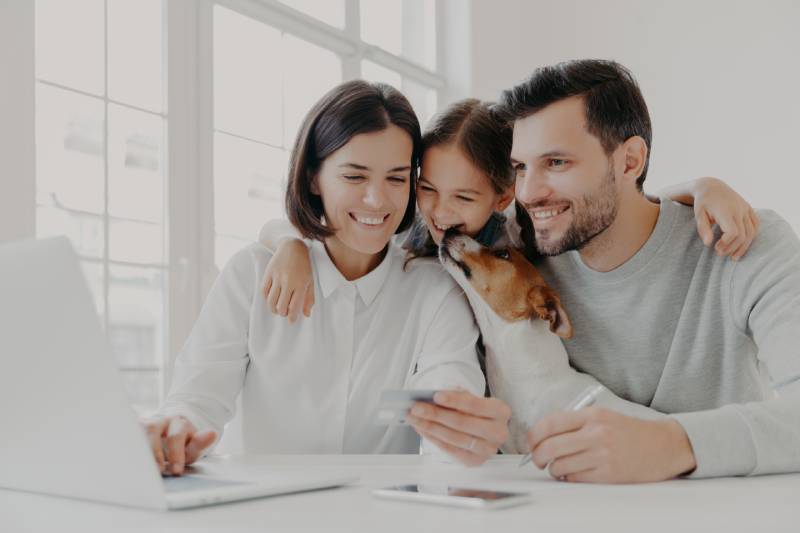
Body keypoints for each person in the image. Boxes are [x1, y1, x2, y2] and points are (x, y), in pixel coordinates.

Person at [259, 96, 759, 460]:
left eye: (464, 198)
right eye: (426, 188)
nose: (441, 215)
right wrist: (289, 242)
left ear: (501, 198)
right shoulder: (402, 229)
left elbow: (610, 208)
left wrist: (700, 186)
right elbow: (327, 222)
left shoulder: (522, 241)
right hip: (419, 438)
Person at [142, 80, 511, 476]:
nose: (377, 200)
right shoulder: (250, 274)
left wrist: (461, 426)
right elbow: (197, 396)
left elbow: (447, 392)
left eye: (397, 178)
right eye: (355, 177)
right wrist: (175, 431)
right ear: (314, 177)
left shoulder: (436, 291)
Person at [494, 59, 800, 482]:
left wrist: (675, 444)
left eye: (557, 163)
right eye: (520, 167)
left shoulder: (745, 242)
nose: (528, 193)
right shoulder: (519, 260)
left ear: (630, 160)